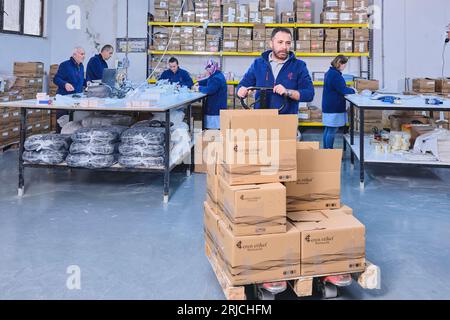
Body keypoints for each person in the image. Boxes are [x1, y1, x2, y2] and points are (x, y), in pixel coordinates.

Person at [237, 27, 314, 114]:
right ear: (271, 43)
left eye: (288, 43)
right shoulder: (258, 64)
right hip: (261, 119)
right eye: (280, 42)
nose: (284, 47)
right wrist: (241, 91)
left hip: (286, 121)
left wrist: (288, 92)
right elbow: (243, 85)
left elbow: (309, 94)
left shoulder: (299, 66)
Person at [322, 55, 356, 149]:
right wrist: (353, 90)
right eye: (344, 64)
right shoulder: (335, 75)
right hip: (334, 107)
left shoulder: (330, 72)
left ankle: (326, 150)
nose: (345, 66)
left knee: (328, 129)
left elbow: (339, 88)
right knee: (332, 130)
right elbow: (343, 90)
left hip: (329, 105)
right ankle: (329, 151)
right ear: (339, 63)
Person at [195, 59, 227, 129]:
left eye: (208, 69)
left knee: (213, 129)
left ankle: (213, 138)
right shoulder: (217, 74)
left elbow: (210, 90)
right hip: (217, 106)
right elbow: (209, 80)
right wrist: (199, 82)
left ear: (212, 67)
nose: (207, 71)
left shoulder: (216, 78)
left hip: (215, 108)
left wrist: (199, 88)